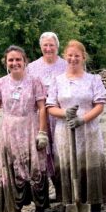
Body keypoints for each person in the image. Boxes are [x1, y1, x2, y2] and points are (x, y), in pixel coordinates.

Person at [0, 45, 49, 212]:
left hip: (30, 127)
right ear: (6, 63)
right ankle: (16, 211)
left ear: (25, 61)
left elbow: (42, 108)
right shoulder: (1, 83)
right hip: (9, 131)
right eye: (11, 60)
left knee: (35, 170)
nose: (15, 63)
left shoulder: (35, 81)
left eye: (18, 59)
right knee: (13, 169)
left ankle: (39, 210)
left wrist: (42, 132)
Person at [46, 40, 106, 212]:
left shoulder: (93, 80)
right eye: (70, 55)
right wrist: (66, 113)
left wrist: (83, 119)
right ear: (65, 56)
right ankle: (72, 204)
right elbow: (51, 107)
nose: (73, 59)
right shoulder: (57, 80)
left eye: (77, 55)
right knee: (69, 166)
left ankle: (95, 207)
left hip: (88, 130)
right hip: (65, 131)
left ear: (83, 57)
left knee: (90, 164)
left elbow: (100, 105)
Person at [27, 32, 67, 202]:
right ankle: (57, 190)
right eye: (45, 45)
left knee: (62, 153)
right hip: (42, 117)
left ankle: (66, 190)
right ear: (41, 47)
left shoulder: (66, 64)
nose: (49, 48)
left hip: (60, 116)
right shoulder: (33, 67)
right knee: (46, 154)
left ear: (57, 46)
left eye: (52, 45)